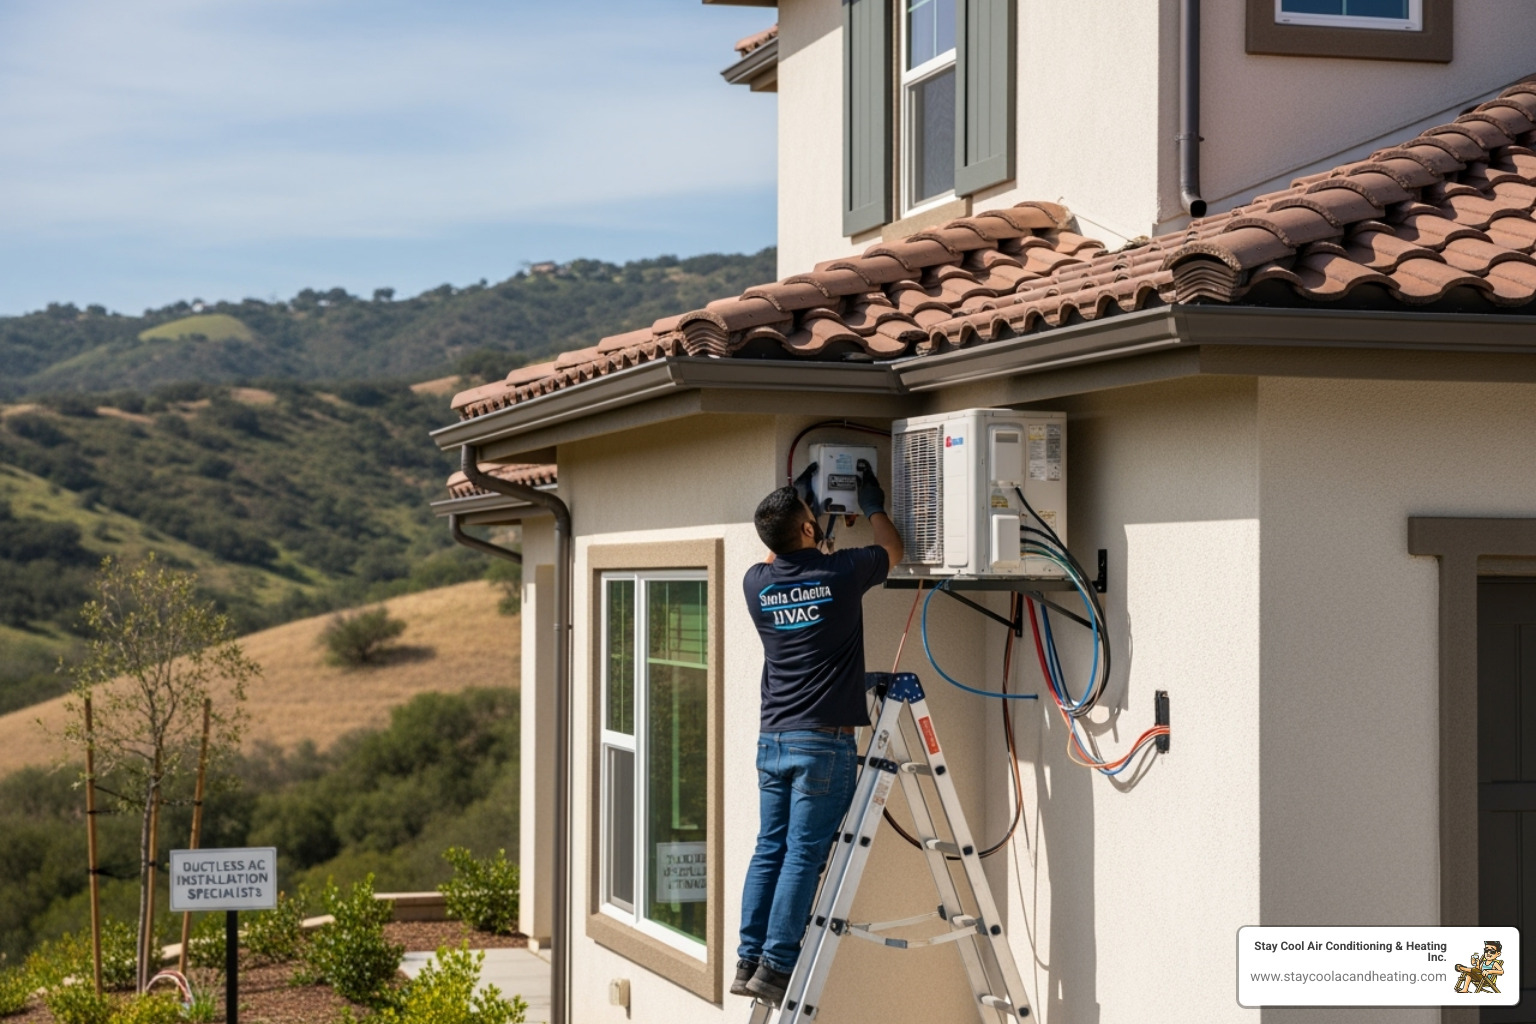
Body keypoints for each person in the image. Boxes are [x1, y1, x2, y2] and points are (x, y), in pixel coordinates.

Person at [734, 459, 904, 1006]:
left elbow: (776, 552)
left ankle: (748, 959)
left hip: (773, 739)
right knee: (803, 855)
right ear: (810, 527)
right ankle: (776, 966)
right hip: (822, 744)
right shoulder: (842, 572)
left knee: (770, 848)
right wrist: (874, 506)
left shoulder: (755, 583)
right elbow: (892, 551)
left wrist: (798, 509)